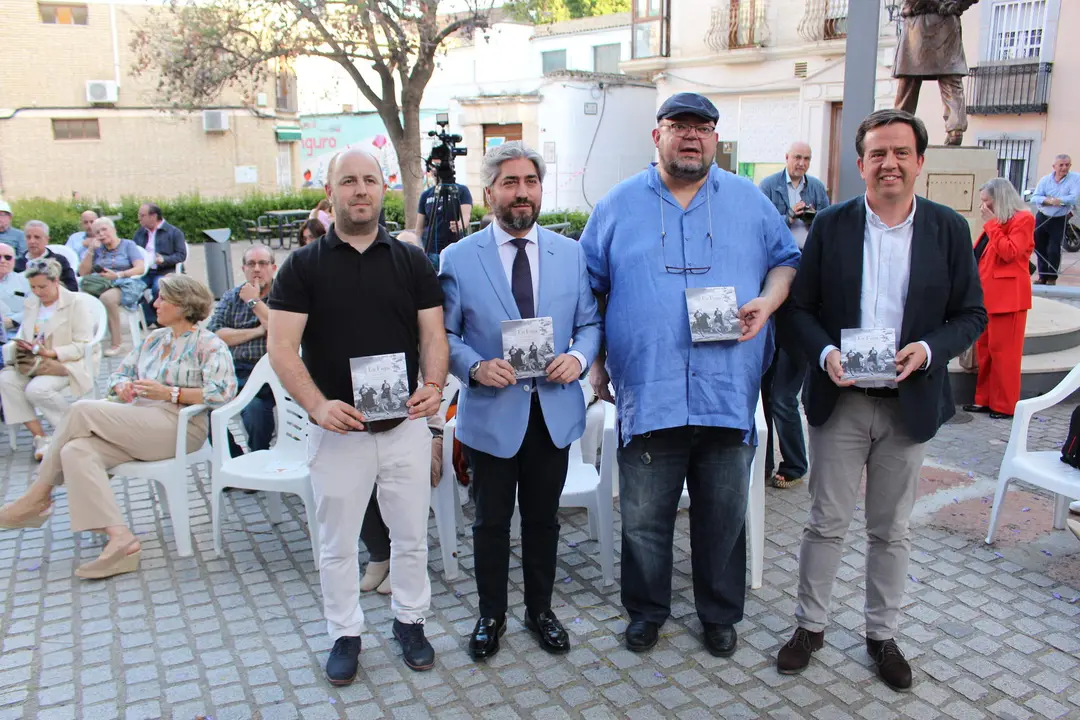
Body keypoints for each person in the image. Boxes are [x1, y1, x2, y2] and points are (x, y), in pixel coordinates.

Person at [580, 92, 800, 657]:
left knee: (722, 515)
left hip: (726, 388)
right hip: (649, 390)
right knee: (645, 517)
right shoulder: (617, 205)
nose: (691, 136)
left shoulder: (750, 201)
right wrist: (597, 359)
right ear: (657, 135)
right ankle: (647, 611)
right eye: (679, 126)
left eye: (703, 128)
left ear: (715, 139)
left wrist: (768, 303)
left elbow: (786, 261)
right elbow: (589, 288)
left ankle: (719, 615)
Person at [776, 109, 986, 691]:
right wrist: (824, 357)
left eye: (900, 152)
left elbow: (972, 314)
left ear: (920, 161)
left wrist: (927, 348)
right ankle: (809, 627)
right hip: (840, 401)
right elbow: (798, 311)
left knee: (891, 529)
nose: (888, 163)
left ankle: (881, 634)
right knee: (825, 522)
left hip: (908, 401)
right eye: (877, 154)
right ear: (861, 163)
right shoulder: (833, 226)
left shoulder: (947, 229)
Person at [268, 148, 449, 684]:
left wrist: (434, 386)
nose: (361, 190)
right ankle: (344, 633)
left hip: (404, 427)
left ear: (383, 189)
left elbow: (433, 334)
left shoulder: (411, 260)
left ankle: (410, 622)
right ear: (330, 193)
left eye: (370, 180)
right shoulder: (302, 266)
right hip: (337, 430)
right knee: (337, 543)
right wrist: (318, 405)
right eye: (349, 181)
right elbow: (282, 349)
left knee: (412, 535)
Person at [441, 141, 601, 661]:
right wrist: (473, 366)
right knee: (489, 523)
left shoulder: (570, 252)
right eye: (509, 183)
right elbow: (443, 336)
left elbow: (590, 324)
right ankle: (491, 615)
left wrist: (578, 358)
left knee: (543, 520)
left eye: (529, 182)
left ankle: (540, 611)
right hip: (491, 414)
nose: (521, 192)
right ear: (489, 193)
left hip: (552, 413)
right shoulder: (458, 258)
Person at [0, 274, 236, 579]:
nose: (155, 303)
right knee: (76, 450)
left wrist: (172, 393)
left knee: (82, 410)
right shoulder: (154, 339)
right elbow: (118, 376)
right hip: (140, 420)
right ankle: (120, 539)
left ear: (183, 304)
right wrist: (123, 386)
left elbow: (223, 392)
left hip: (180, 426)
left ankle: (37, 496)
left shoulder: (209, 344)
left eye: (163, 298)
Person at [758, 142, 830, 489]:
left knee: (783, 395)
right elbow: (763, 225)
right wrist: (789, 216)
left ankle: (795, 464)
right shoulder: (768, 186)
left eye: (806, 159)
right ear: (786, 159)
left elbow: (826, 225)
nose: (801, 163)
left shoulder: (816, 187)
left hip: (800, 305)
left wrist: (812, 216)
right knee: (767, 393)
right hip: (776, 303)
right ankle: (767, 461)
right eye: (797, 157)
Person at [0, 259, 93, 461]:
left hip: (65, 362)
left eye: (42, 286)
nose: (38, 292)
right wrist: (25, 345)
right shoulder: (32, 303)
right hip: (34, 362)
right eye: (33, 287)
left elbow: (84, 344)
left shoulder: (75, 303)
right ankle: (40, 437)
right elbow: (26, 332)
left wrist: (52, 352)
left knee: (36, 390)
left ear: (56, 281)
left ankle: (74, 431)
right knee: (6, 381)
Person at [962, 178, 1034, 420]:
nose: (983, 207)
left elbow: (1010, 252)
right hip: (987, 298)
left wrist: (992, 225)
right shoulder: (996, 223)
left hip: (1008, 299)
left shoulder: (1023, 219)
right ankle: (984, 400)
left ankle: (1005, 405)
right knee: (986, 351)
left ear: (999, 200)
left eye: (986, 202)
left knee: (1006, 355)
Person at [207, 244, 277, 459]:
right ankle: (235, 460)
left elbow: (279, 329)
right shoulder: (231, 296)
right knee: (208, 410)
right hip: (233, 370)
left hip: (268, 373)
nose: (257, 269)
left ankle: (258, 460)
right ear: (243, 268)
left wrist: (254, 301)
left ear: (273, 268)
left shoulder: (283, 294)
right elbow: (215, 334)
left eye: (262, 263)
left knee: (255, 410)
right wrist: (257, 331)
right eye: (251, 264)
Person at [892, 0, 977, 145]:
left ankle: (899, 127)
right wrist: (955, 5)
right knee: (950, 79)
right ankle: (955, 128)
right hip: (946, 21)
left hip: (919, 23)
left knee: (909, 81)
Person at [78, 217, 146, 357]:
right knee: (79, 298)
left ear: (113, 230)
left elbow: (140, 268)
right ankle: (84, 341)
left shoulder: (128, 245)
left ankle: (117, 343)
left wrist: (118, 275)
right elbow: (83, 273)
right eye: (97, 232)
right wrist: (90, 250)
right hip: (100, 284)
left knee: (107, 298)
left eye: (104, 229)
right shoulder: (97, 250)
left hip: (124, 284)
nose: (101, 234)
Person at [133, 203, 188, 326]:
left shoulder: (174, 232)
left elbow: (181, 255)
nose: (139, 219)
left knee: (159, 287)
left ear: (153, 216)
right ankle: (151, 316)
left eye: (142, 215)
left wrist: (164, 259)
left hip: (165, 270)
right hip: (145, 271)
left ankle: (154, 318)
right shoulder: (140, 233)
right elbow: (133, 251)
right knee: (132, 287)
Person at [1030, 154, 1079, 286]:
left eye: (1067, 165)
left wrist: (1060, 200)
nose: (1064, 168)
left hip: (1059, 218)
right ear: (1054, 167)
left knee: (1053, 248)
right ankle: (1042, 276)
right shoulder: (1045, 180)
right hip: (1042, 216)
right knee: (1039, 246)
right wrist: (1047, 200)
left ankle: (1051, 277)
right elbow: (1035, 197)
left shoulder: (1075, 179)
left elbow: (1074, 197)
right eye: (1061, 165)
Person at [415, 161, 473, 266]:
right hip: (431, 251)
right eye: (434, 166)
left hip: (454, 248)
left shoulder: (461, 190)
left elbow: (466, 215)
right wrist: (417, 247)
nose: (437, 169)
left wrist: (460, 225)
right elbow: (419, 227)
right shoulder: (426, 195)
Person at [14, 221, 78, 291]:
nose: (32, 241)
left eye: (37, 237)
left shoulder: (59, 261)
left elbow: (72, 287)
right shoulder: (16, 263)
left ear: (47, 240)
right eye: (28, 237)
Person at [0, 242, 30, 332]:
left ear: (13, 261)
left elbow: (37, 306)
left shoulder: (27, 281)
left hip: (21, 332)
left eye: (7, 257)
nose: (3, 261)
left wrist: (14, 321)